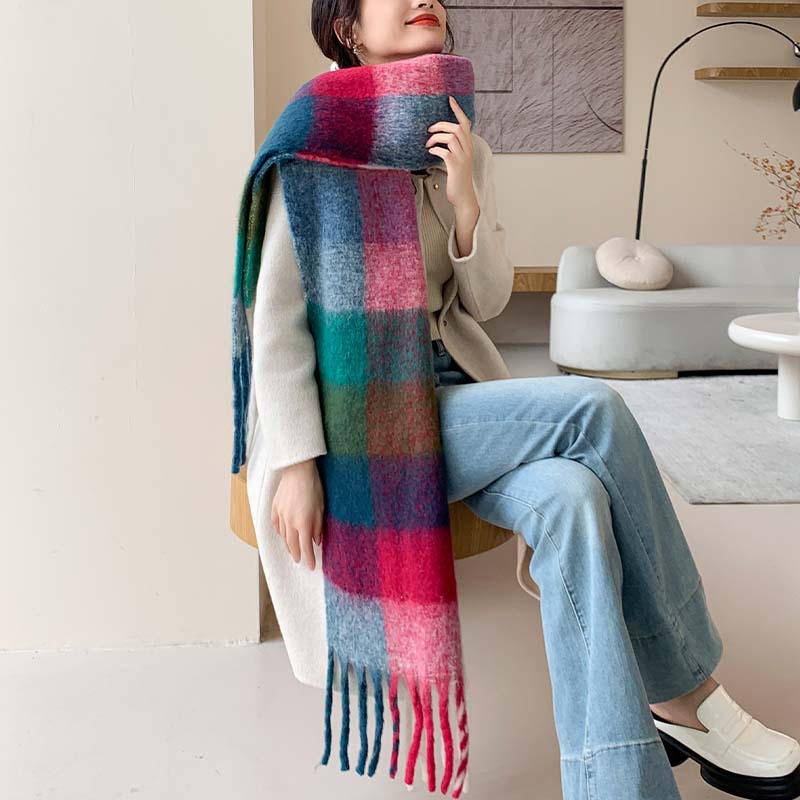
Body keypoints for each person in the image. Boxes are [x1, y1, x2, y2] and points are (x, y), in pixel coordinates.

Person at [250, 2, 800, 798]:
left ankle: (615, 787)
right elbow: (274, 320)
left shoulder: (456, 136)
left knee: (572, 496)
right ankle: (688, 691)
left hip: (455, 399)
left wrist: (466, 203)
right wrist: (298, 461)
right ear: (348, 28)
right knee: (593, 409)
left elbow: (486, 302)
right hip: (363, 422)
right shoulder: (313, 139)